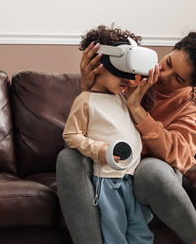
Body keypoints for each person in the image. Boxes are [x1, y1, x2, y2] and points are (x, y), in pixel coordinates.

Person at [57, 26, 196, 244]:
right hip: (111, 159)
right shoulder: (133, 72)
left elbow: (178, 154)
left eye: (178, 79)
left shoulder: (193, 104)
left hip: (153, 166)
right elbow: (96, 120)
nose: (163, 75)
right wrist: (90, 85)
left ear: (193, 86)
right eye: (167, 62)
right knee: (68, 158)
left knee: (150, 171)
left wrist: (138, 111)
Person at [62, 31, 156, 244]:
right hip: (107, 181)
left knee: (141, 233)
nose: (127, 81)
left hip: (132, 180)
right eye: (120, 74)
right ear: (98, 65)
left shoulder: (124, 99)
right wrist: (98, 150)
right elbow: (71, 134)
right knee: (115, 233)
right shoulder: (85, 100)